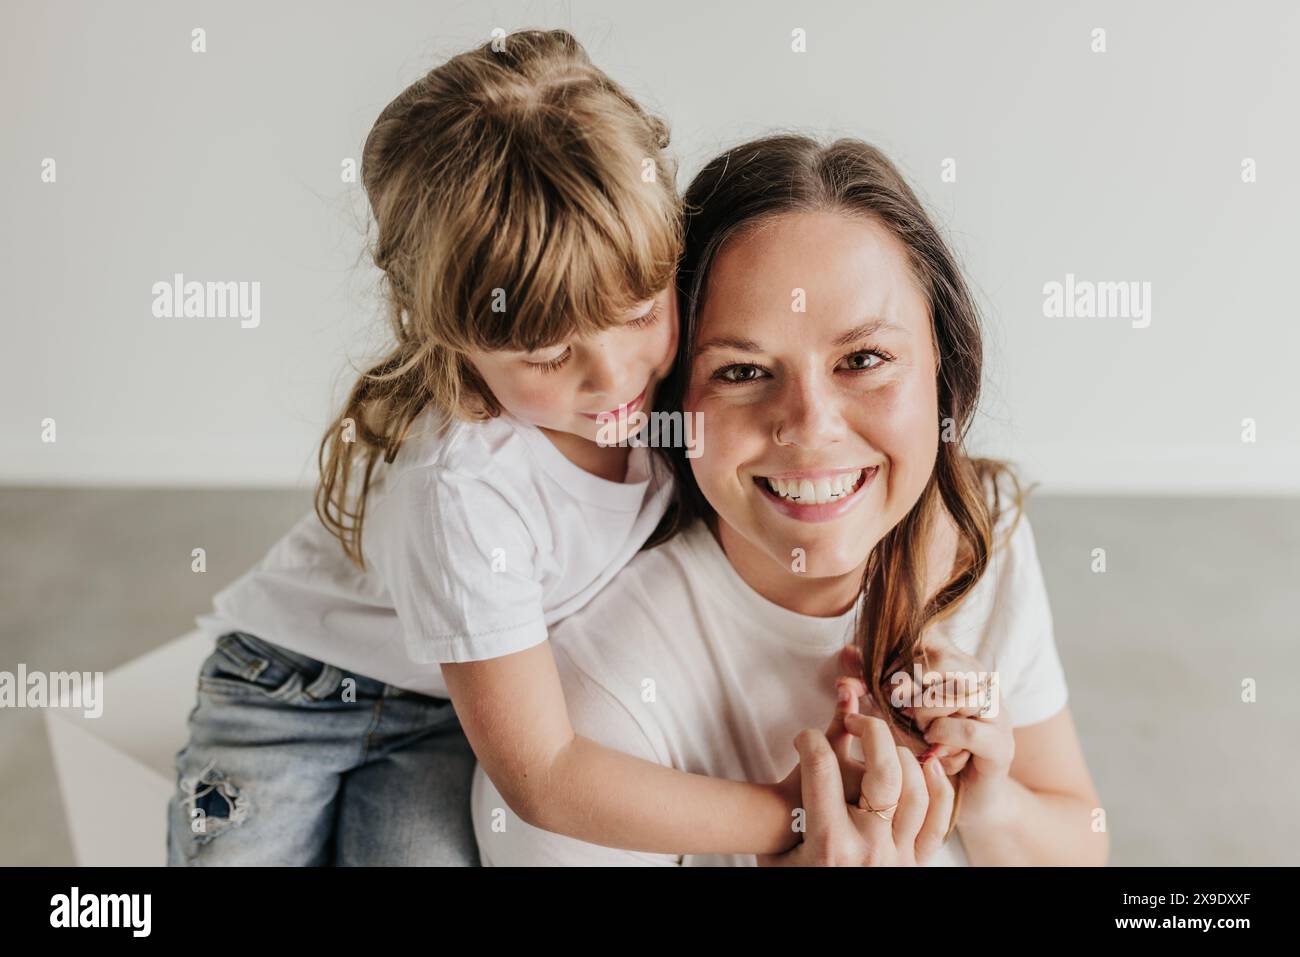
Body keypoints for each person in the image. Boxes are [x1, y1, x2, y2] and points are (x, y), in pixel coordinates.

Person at [472, 134, 1108, 866]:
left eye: (863, 360)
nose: (810, 427)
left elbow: (1081, 842)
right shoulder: (601, 698)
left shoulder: (978, 525)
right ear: (675, 400)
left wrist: (990, 799)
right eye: (742, 371)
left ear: (944, 360)